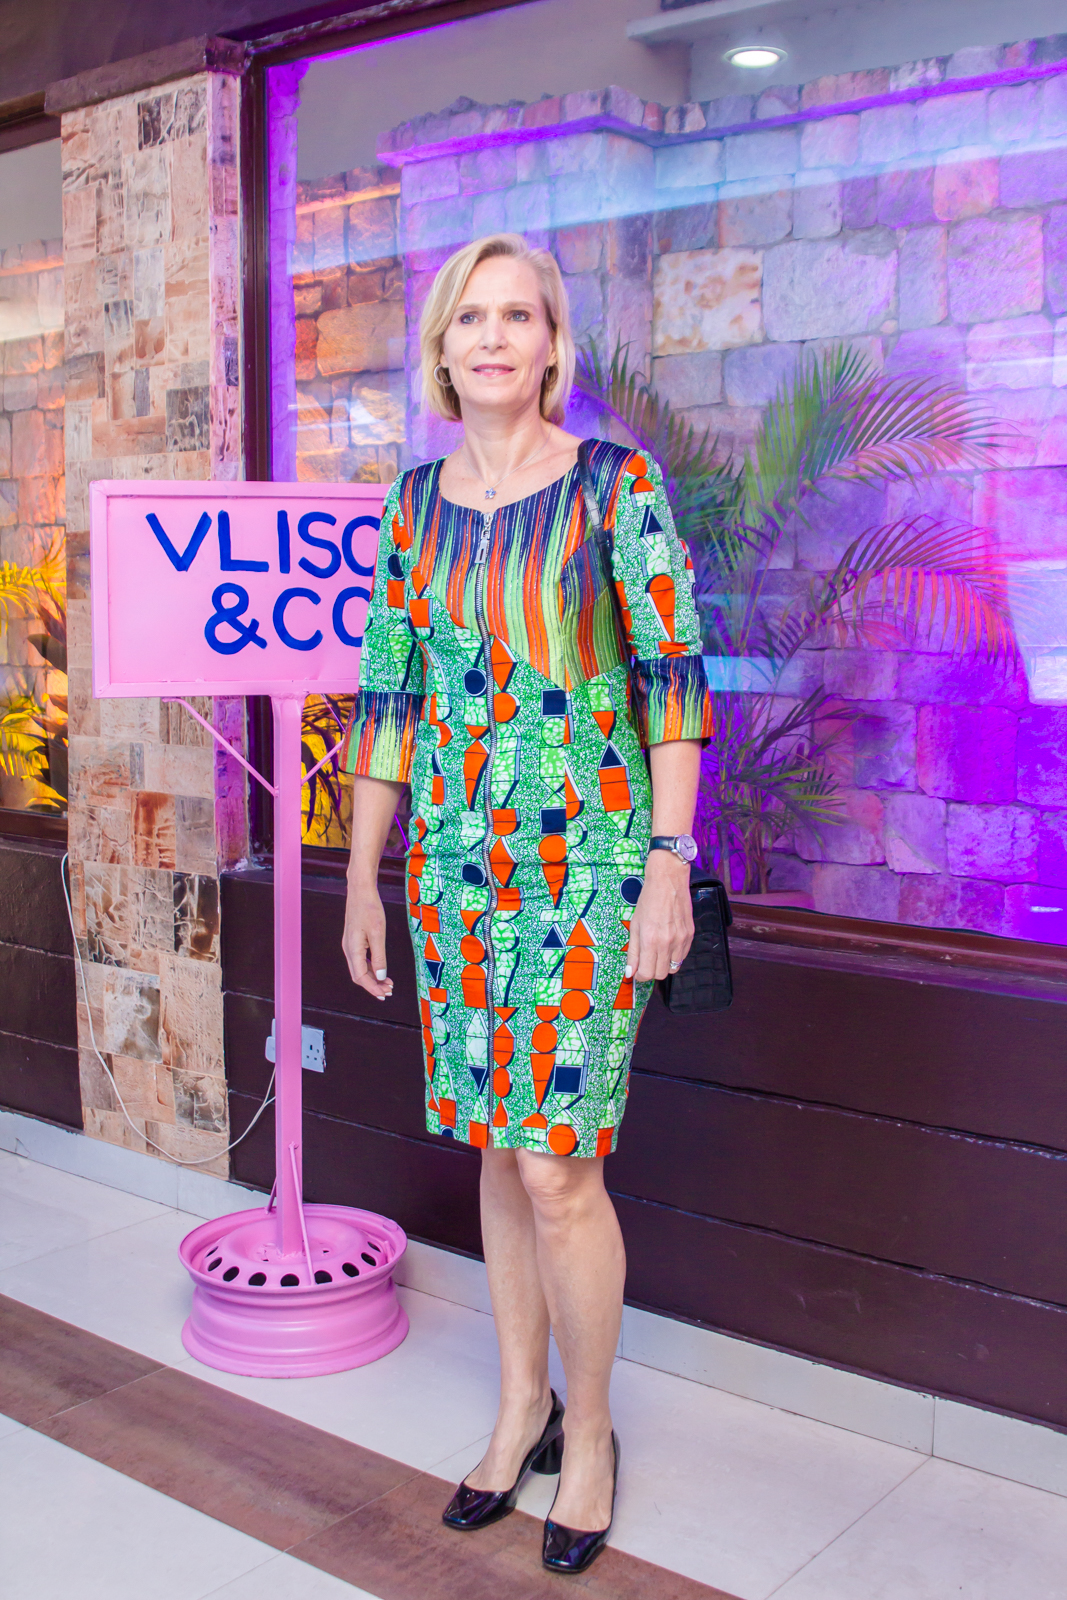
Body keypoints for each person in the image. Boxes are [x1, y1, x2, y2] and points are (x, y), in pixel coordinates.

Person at [341, 233, 711, 1575]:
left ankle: (591, 1433)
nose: (492, 337)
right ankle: (520, 1410)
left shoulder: (617, 487)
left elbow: (673, 676)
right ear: (442, 349)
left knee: (559, 1163)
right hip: (452, 868)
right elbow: (389, 697)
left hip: (589, 862)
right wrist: (362, 872)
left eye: (518, 316)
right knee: (498, 1152)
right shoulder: (409, 507)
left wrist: (668, 858)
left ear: (553, 346)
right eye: (470, 317)